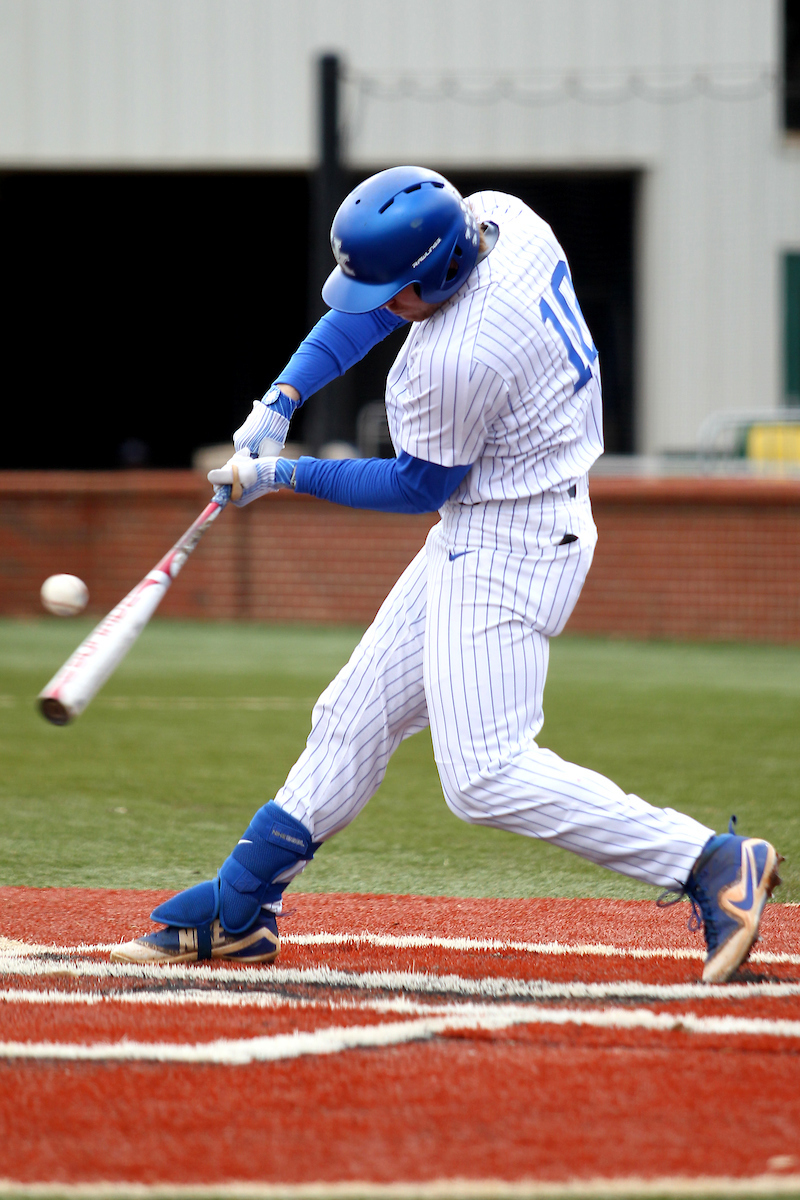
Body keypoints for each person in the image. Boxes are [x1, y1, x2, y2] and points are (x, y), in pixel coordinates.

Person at [113, 166, 781, 983]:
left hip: (509, 542)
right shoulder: (501, 219)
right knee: (351, 714)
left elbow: (417, 485)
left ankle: (710, 862)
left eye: (399, 290)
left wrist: (284, 476)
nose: (385, 305)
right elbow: (361, 312)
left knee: (486, 775)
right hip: (511, 514)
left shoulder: (457, 358)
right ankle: (240, 907)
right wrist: (282, 396)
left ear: (438, 274)